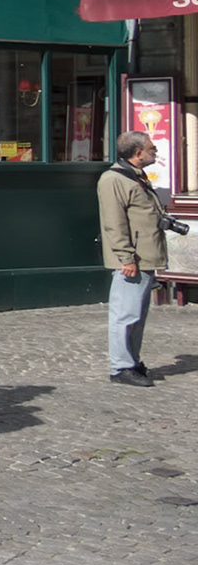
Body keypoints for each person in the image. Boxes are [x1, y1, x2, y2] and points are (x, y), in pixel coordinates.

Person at [99, 131, 168, 387]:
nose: (155, 151)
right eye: (151, 148)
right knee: (125, 315)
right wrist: (126, 257)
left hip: (145, 257)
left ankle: (132, 361)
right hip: (132, 261)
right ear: (138, 153)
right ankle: (120, 367)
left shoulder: (135, 175)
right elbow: (114, 223)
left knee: (136, 316)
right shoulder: (114, 179)